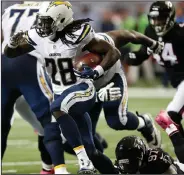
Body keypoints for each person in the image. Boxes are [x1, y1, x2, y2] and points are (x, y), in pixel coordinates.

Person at [4, 1, 123, 174]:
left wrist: (97, 71)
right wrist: (12, 44)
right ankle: (113, 171)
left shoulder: (77, 35)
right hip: (63, 97)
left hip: (82, 90)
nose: (42, 26)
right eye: (41, 21)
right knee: (93, 152)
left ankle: (83, 161)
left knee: (56, 107)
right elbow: (11, 54)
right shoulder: (38, 37)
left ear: (61, 21)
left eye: (47, 22)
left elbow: (114, 52)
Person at [75, 29, 163, 149]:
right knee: (83, 131)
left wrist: (152, 43)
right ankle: (97, 145)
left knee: (118, 120)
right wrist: (96, 96)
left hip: (112, 78)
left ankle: (144, 122)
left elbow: (131, 35)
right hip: (86, 87)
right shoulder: (64, 56)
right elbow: (70, 97)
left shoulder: (104, 40)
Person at [124, 1, 184, 162]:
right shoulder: (150, 31)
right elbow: (139, 57)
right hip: (179, 84)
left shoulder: (180, 34)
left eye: (161, 19)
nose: (157, 23)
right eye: (155, 19)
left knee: (170, 118)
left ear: (171, 18)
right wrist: (126, 56)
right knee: (173, 120)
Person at [1, 2, 55, 174]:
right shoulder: (49, 8)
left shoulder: (10, 9)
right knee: (50, 121)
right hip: (29, 64)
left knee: (2, 124)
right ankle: (49, 168)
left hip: (4, 63)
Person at [115, 135, 184, 174]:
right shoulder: (122, 167)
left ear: (142, 155)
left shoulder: (156, 160)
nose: (128, 167)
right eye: (124, 164)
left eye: (132, 163)